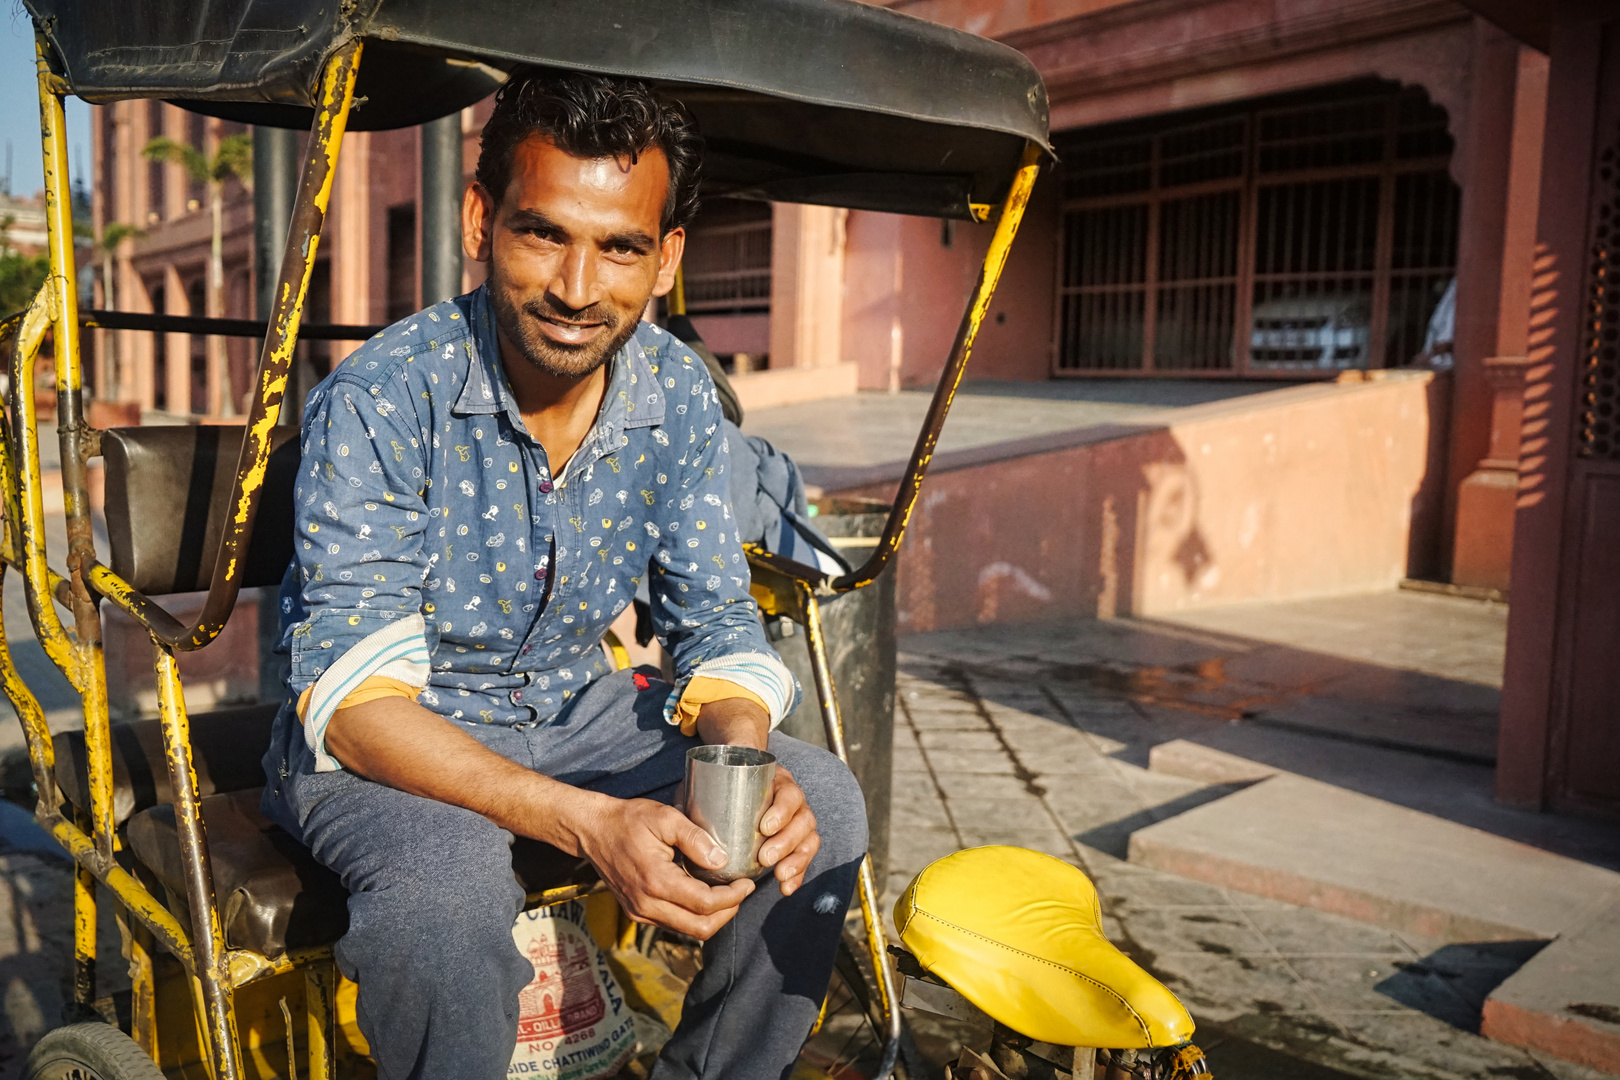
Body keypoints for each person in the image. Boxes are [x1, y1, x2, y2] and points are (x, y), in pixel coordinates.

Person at [260, 68, 867, 1080]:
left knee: (826, 803)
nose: (579, 290)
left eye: (621, 246)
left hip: (573, 706)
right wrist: (589, 820)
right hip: (394, 735)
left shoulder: (674, 388)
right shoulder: (379, 398)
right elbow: (357, 703)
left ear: (666, 257)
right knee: (443, 896)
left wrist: (742, 769)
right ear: (480, 219)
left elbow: (715, 619)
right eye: (544, 233)